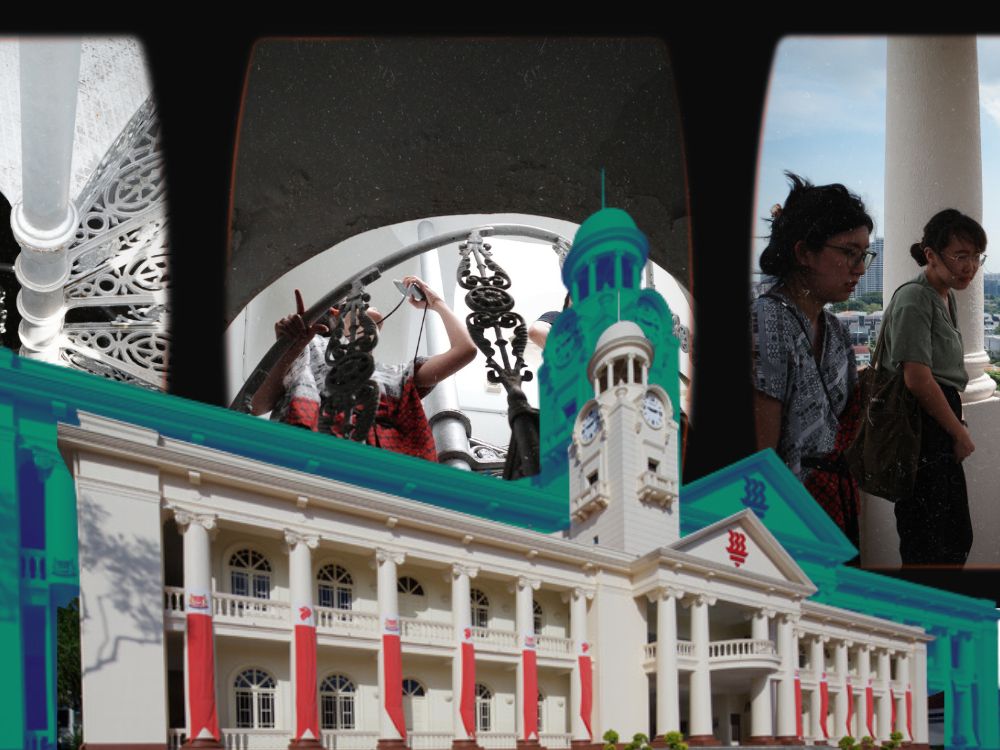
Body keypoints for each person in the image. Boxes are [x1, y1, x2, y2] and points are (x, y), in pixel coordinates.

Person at [751, 172, 875, 550]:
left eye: (864, 255)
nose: (859, 268)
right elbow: (762, 456)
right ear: (804, 252)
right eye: (848, 252)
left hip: (833, 513)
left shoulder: (835, 330)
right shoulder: (766, 321)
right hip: (787, 526)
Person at [250, 275, 477, 462]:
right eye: (360, 303)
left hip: (379, 473)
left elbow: (464, 351)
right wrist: (290, 346)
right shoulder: (311, 348)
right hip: (309, 456)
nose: (368, 304)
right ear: (337, 315)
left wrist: (436, 303)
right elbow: (257, 405)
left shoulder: (395, 376)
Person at [877, 209, 985, 565]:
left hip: (937, 424)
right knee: (929, 540)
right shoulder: (915, 298)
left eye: (976, 257)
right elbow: (918, 378)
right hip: (920, 430)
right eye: (960, 256)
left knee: (953, 535)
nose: (970, 266)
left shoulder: (943, 294)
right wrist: (959, 433)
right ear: (931, 255)